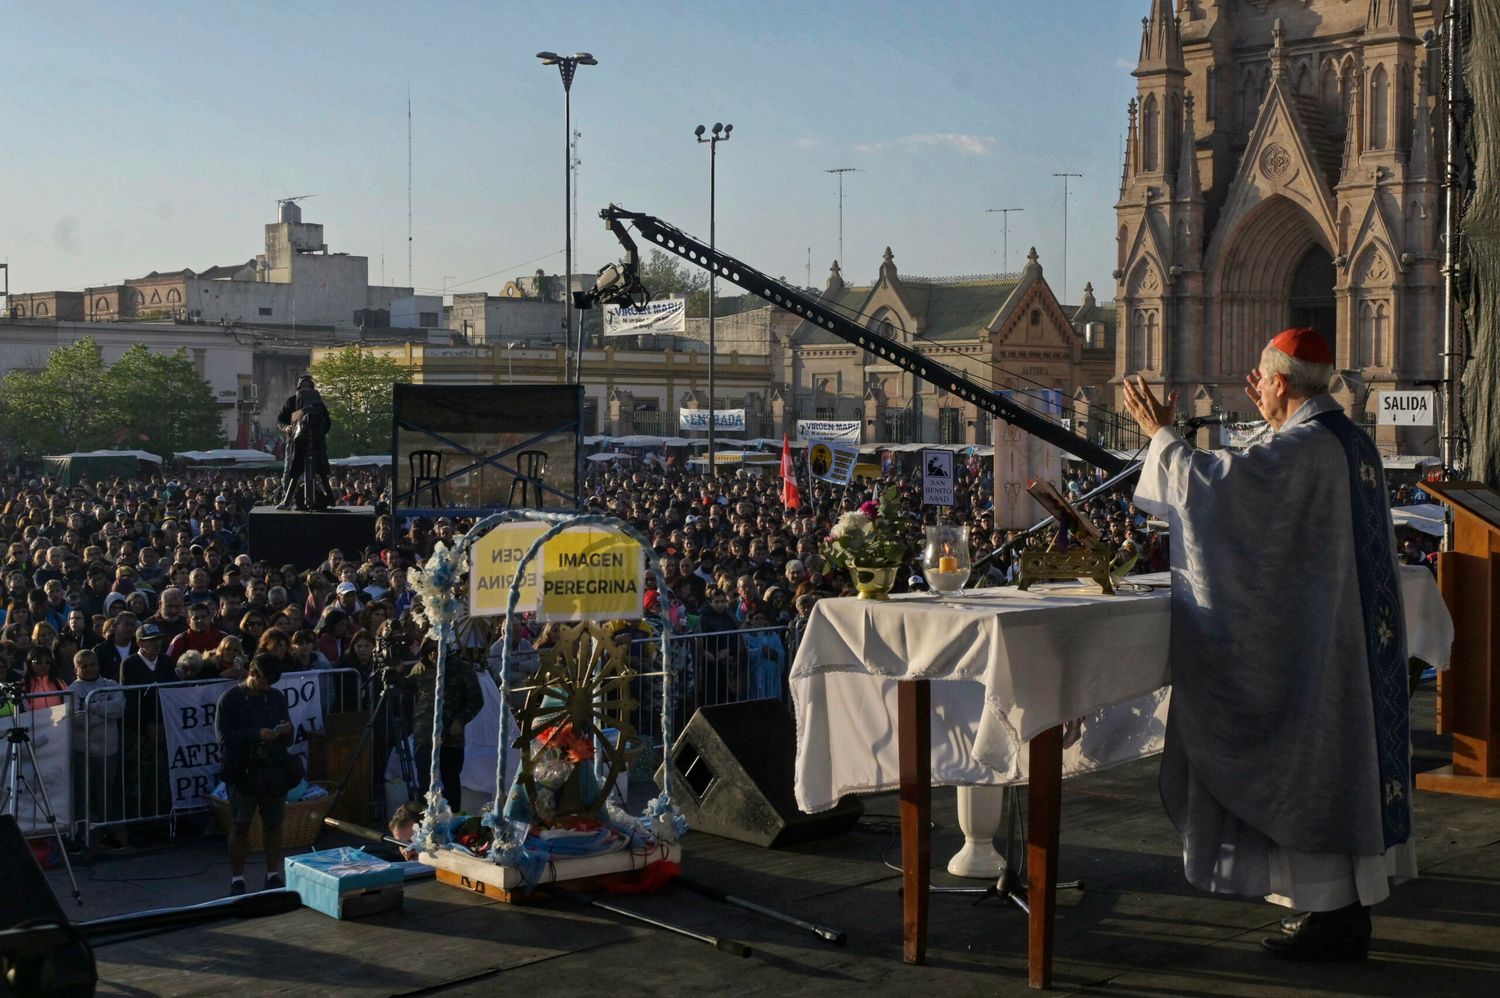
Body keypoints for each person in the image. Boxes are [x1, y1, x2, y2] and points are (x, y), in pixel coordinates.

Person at [1122, 327, 1412, 962]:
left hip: (1317, 657)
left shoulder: (1308, 446)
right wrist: (1271, 420)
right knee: (1339, 769)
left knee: (1314, 767)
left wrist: (1159, 436)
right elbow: (1262, 486)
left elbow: (1218, 491)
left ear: (1281, 382)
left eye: (1262, 377)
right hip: (1343, 643)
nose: (1255, 386)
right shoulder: (1346, 440)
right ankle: (1340, 912)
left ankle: (1333, 918)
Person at [215, 653, 297, 894]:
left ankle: (273, 874)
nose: (266, 688)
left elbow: (289, 735)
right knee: (240, 825)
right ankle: (237, 879)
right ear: (252, 672)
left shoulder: (276, 697)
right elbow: (223, 738)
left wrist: (285, 731)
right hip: (244, 770)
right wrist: (255, 734)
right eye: (263, 682)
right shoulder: (230, 699)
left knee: (274, 824)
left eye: (270, 684)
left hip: (273, 769)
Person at [276, 374, 333, 511]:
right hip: (296, 442)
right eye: (303, 386)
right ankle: (287, 499)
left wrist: (319, 433)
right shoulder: (291, 401)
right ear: (299, 388)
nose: (306, 389)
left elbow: (327, 421)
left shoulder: (318, 403)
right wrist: (287, 427)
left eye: (308, 386)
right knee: (292, 470)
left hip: (315, 441)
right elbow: (280, 420)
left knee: (322, 471)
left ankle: (330, 499)